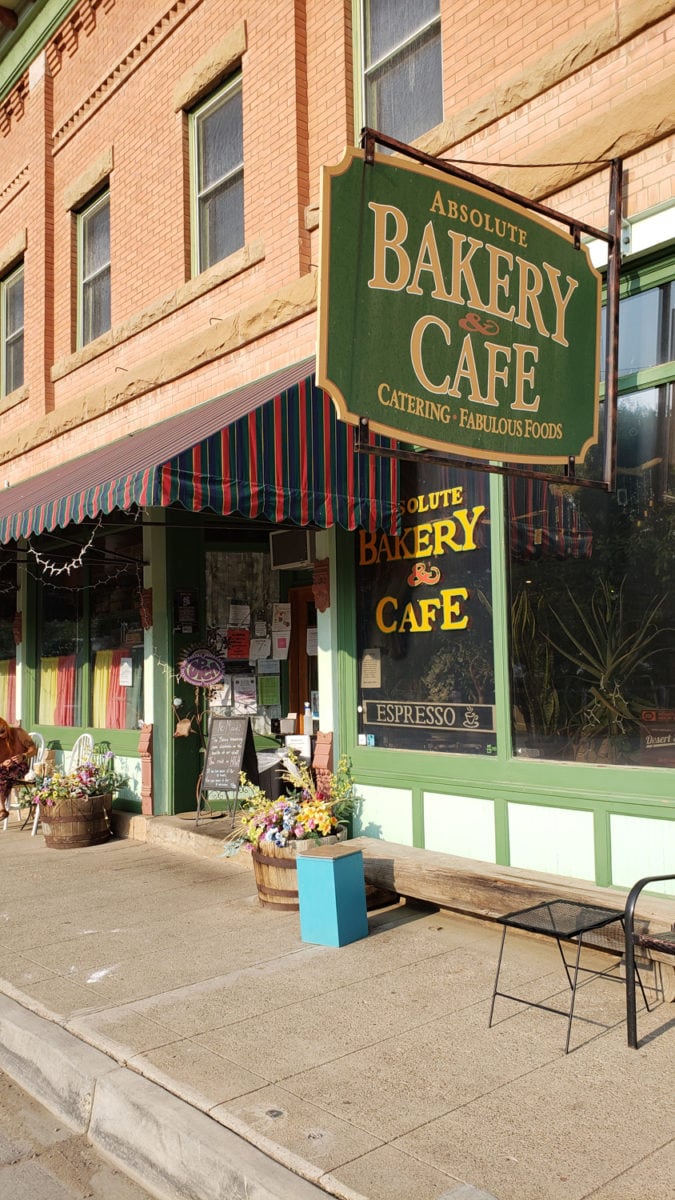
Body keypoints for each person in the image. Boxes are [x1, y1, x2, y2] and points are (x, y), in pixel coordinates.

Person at [0, 719, 37, 820]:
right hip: (4, 770)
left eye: (2, 731)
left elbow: (33, 749)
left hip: (20, 767)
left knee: (1, 776)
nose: (0, 735)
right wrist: (3, 763)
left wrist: (23, 755)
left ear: (5, 725)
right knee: (2, 775)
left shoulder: (18, 732)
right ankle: (2, 808)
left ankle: (1, 808)